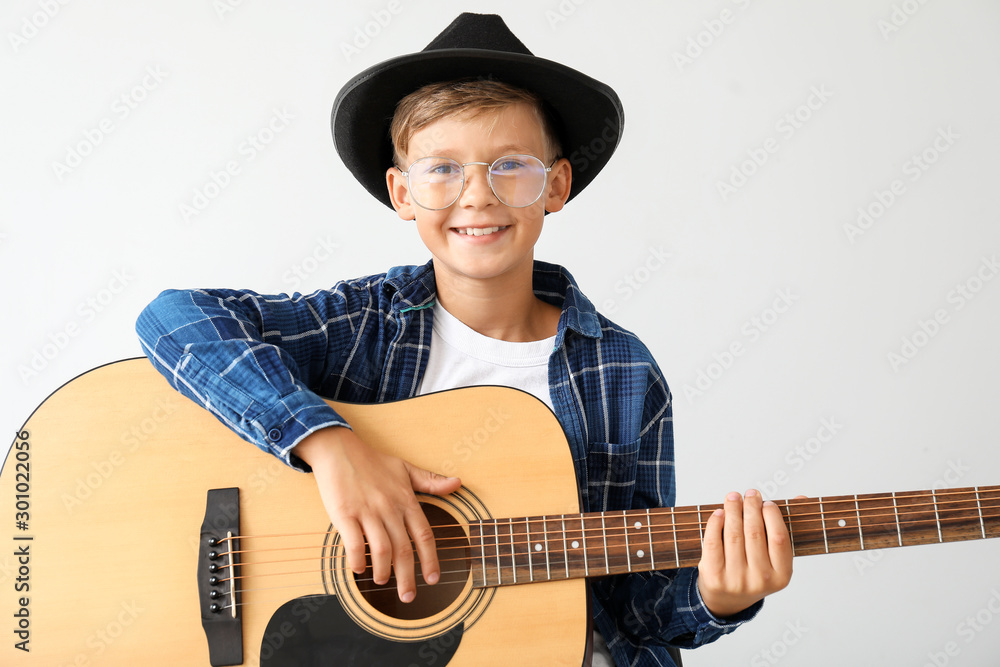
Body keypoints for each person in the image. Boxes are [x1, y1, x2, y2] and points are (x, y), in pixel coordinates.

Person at [136, 13, 793, 666]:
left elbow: (637, 605)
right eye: (442, 169)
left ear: (555, 185)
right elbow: (174, 320)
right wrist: (331, 447)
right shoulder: (366, 324)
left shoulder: (621, 371)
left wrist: (716, 592)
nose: (477, 196)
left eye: (511, 166)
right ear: (402, 192)